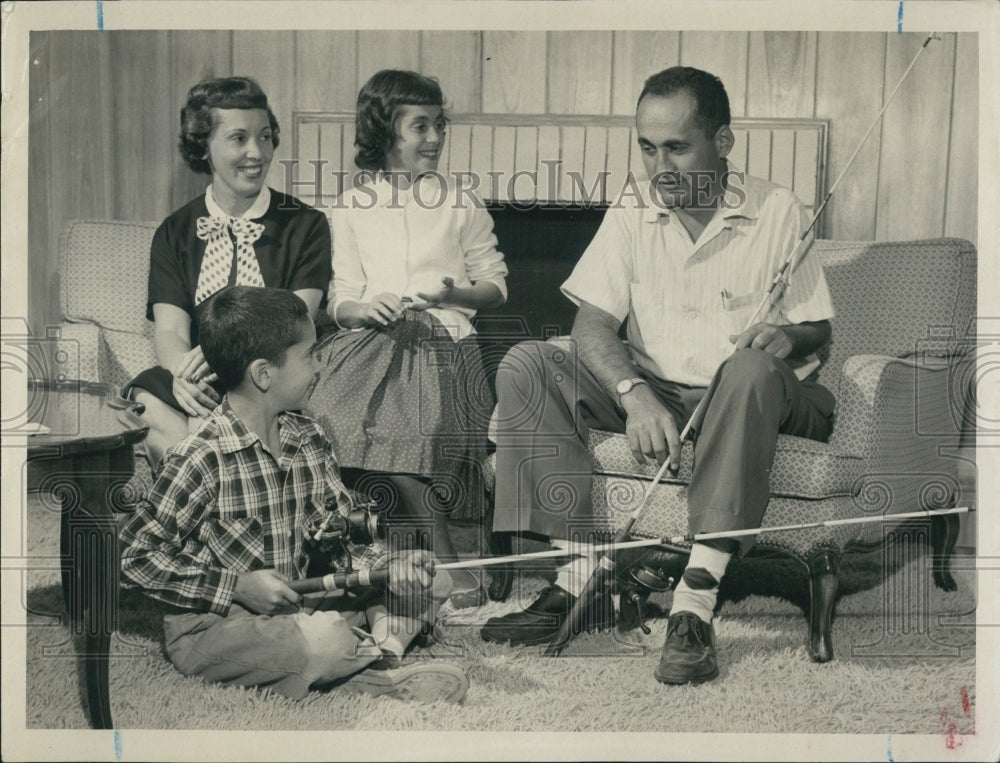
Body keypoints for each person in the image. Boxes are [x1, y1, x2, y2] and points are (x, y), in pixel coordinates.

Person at [481, 66, 836, 685]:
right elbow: (592, 321)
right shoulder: (634, 206)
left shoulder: (778, 208)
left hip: (756, 394)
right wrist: (634, 393)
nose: (659, 166)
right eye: (647, 147)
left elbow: (817, 329)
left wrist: (789, 336)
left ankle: (694, 604)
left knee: (748, 368)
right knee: (530, 362)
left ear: (722, 142)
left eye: (677, 147)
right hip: (660, 389)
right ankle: (580, 576)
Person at [120, 285, 469, 703]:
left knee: (433, 581)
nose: (321, 365)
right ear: (264, 374)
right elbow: (133, 556)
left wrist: (390, 566)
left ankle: (376, 654)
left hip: (301, 600)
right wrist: (235, 586)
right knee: (325, 637)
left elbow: (343, 537)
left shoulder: (310, 437)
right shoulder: (200, 457)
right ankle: (372, 661)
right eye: (310, 355)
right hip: (218, 626)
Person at [308, 70, 508, 609]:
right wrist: (362, 309)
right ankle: (359, 551)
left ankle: (443, 556)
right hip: (368, 343)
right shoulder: (349, 207)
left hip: (443, 343)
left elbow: (496, 287)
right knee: (321, 413)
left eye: (440, 125)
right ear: (384, 130)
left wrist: (452, 292)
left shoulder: (461, 202)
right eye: (421, 126)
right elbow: (340, 298)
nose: (435, 138)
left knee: (412, 420)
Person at [125, 76, 332, 469]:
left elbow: (297, 319)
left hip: (267, 374)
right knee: (143, 401)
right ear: (204, 146)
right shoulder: (174, 231)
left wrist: (222, 352)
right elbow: (170, 330)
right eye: (239, 138)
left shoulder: (306, 224)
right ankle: (212, 476)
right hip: (197, 379)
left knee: (210, 425)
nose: (257, 152)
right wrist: (183, 380)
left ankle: (200, 477)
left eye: (265, 137)